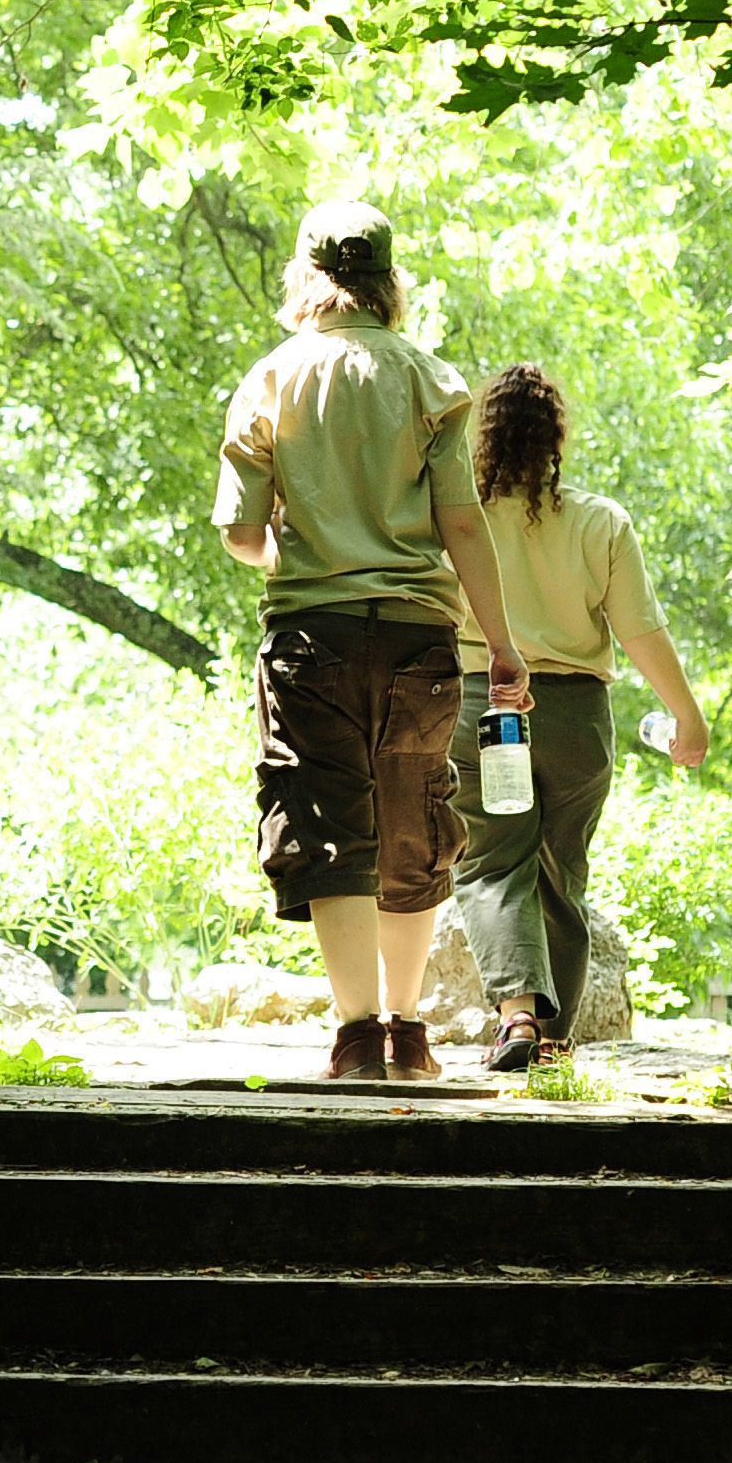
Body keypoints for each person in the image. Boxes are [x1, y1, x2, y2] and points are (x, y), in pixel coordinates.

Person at [214, 202, 534, 1084]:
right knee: (415, 821)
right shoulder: (432, 381)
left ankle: (357, 1039)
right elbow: (463, 525)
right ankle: (409, 1030)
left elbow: (240, 533)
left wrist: (302, 553)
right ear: (388, 282)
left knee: (327, 824)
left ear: (307, 279)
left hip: (309, 635)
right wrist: (500, 645)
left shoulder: (270, 380)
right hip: (418, 641)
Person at [448, 361, 710, 1074]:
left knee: (493, 863)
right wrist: (685, 715)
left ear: (485, 435)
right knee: (563, 871)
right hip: (575, 719)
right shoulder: (600, 523)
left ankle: (517, 1018)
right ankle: (556, 1043)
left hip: (484, 703)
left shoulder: (456, 521)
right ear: (557, 436)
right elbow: (640, 631)